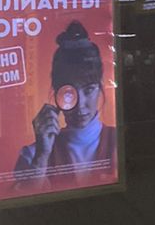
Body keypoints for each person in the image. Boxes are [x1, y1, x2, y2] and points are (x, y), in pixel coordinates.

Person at [14, 21, 117, 188]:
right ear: (56, 92)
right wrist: (42, 155)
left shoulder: (118, 142)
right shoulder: (32, 155)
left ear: (100, 88)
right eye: (69, 92)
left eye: (89, 89)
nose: (80, 105)